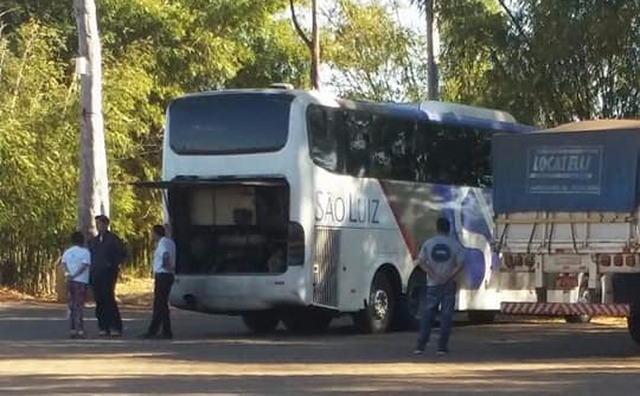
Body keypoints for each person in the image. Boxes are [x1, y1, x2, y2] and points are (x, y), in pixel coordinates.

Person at [413, 216, 464, 356]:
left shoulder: (429, 243)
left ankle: (420, 346)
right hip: (448, 284)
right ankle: (441, 347)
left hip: (432, 284)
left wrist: (433, 274)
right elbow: (460, 264)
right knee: (446, 317)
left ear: (437, 228)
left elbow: (421, 262)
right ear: (449, 229)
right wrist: (449, 276)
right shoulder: (454, 245)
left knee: (427, 316)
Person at [89, 214, 127, 337]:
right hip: (96, 274)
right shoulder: (93, 241)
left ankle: (115, 326)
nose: (97, 226)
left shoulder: (114, 239)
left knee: (108, 298)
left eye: (99, 224)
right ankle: (103, 326)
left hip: (109, 274)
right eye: (96, 224)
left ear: (105, 224)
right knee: (99, 301)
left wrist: (112, 264)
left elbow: (122, 253)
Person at [141, 224, 176, 339]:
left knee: (160, 303)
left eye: (152, 233)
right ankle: (159, 329)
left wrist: (166, 266)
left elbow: (165, 255)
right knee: (161, 304)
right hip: (168, 275)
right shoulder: (170, 242)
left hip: (162, 275)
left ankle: (161, 331)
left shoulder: (162, 243)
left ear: (156, 233)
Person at [60, 231, 92, 339]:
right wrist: (76, 275)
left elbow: (63, 263)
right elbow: (84, 265)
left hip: (69, 281)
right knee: (79, 305)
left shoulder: (67, 252)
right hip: (81, 281)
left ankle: (72, 329)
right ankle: (80, 329)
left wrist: (68, 274)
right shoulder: (85, 252)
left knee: (71, 304)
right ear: (82, 241)